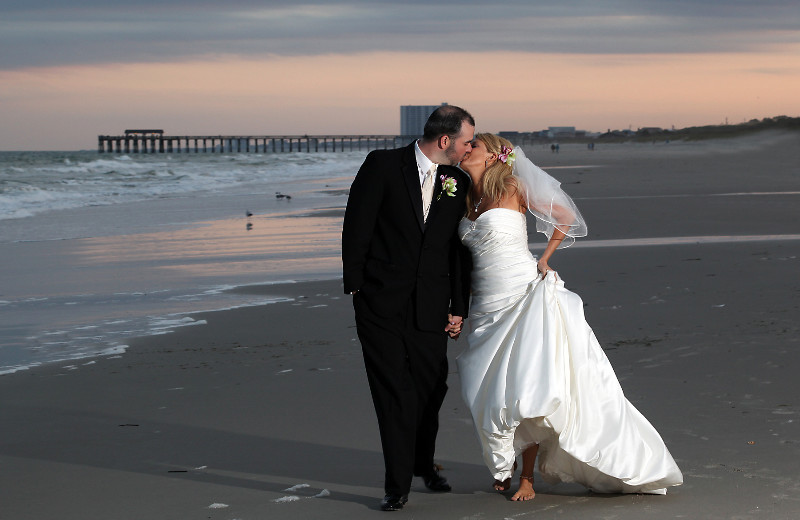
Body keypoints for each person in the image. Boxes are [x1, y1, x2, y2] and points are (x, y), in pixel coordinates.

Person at [455, 133, 683, 501]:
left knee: (526, 388)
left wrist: (545, 258)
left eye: (474, 147)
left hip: (522, 294)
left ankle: (525, 477)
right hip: (485, 302)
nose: (466, 151)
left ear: (495, 156)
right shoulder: (465, 198)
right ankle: (503, 459)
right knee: (483, 388)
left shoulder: (514, 187)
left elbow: (565, 216)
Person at [342, 105, 474, 511]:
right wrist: (357, 289)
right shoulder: (382, 165)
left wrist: (458, 306)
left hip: (432, 305)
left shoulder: (456, 181)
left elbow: (456, 248)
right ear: (445, 139)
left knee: (432, 388)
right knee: (393, 392)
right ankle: (396, 484)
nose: (470, 148)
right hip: (380, 303)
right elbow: (357, 224)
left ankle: (423, 464)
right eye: (468, 141)